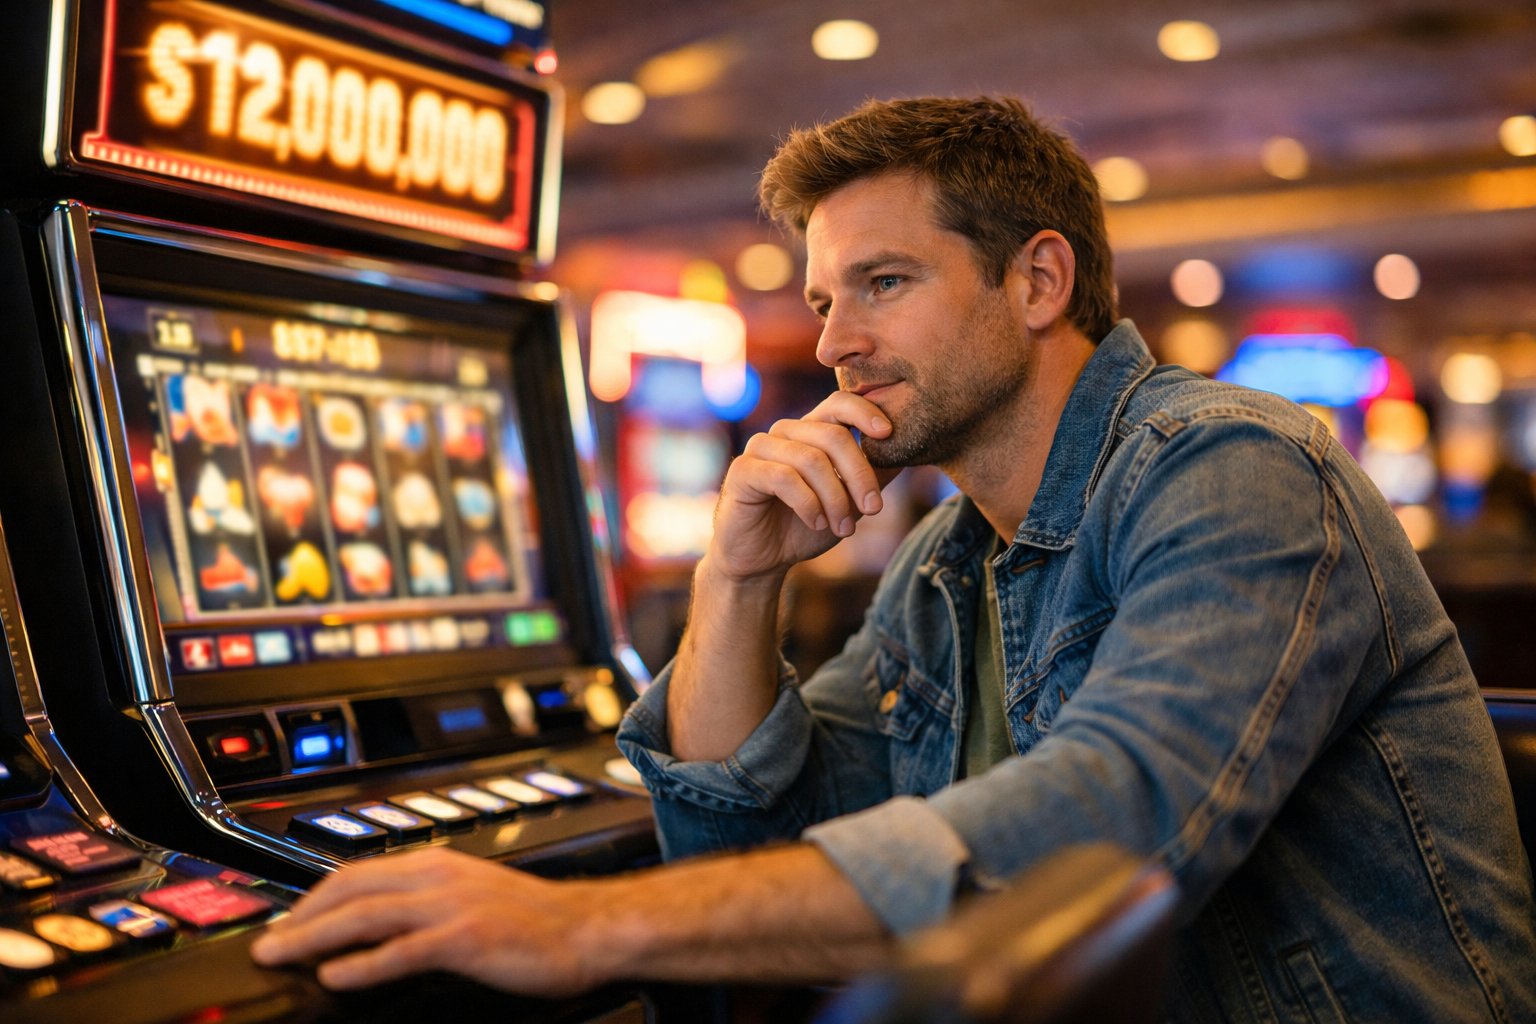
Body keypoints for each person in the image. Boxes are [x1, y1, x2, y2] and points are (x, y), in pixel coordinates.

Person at [252, 96, 1536, 1021]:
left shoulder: (1235, 470)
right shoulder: (947, 560)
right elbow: (748, 830)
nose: (831, 344)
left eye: (880, 283)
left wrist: (577, 925)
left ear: (1039, 281)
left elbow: (1110, 836)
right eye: (821, 299)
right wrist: (736, 576)